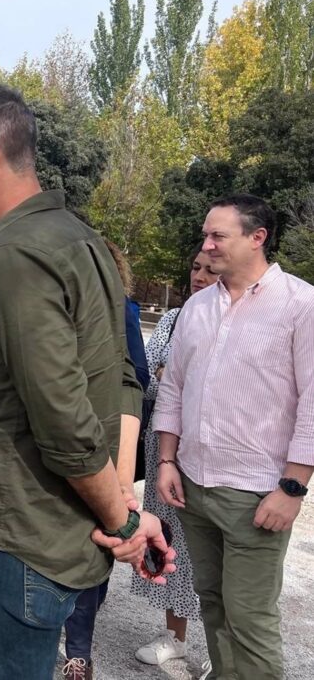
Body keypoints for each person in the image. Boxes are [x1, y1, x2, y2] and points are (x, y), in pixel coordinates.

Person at [0, 84, 173, 680]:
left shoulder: (15, 256)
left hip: (15, 539)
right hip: (57, 536)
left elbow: (62, 419)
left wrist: (123, 523)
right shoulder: (81, 241)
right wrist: (123, 498)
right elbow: (119, 376)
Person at [154, 194, 314, 680]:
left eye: (217, 235)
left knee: (251, 618)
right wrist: (166, 460)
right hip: (194, 485)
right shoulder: (197, 308)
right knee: (214, 606)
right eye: (207, 235)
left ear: (257, 238)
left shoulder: (300, 304)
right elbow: (174, 386)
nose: (206, 246)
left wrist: (292, 488)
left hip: (256, 493)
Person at [61, 241, 151, 679]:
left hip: (104, 441)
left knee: (96, 539)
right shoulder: (52, 305)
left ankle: (79, 650)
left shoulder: (123, 311)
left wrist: (125, 469)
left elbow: (135, 379)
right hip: (54, 440)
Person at [129, 248, 218, 668]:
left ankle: (228, 647)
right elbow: (148, 379)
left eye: (209, 270)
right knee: (171, 541)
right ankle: (175, 635)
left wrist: (175, 375)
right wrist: (171, 376)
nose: (199, 276)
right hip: (164, 445)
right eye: (195, 267)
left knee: (218, 548)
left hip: (213, 451)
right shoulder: (174, 318)